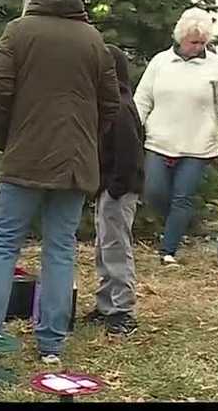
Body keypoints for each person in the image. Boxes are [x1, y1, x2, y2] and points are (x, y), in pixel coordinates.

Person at [0, 0, 120, 366]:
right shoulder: (94, 42)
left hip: (25, 157)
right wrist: (88, 138)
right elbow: (111, 103)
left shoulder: (19, 32)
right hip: (75, 164)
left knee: (3, 245)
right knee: (60, 249)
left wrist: (6, 138)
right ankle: (51, 343)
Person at [135, 8, 218, 264]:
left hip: (198, 143)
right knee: (154, 191)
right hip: (159, 140)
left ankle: (168, 250)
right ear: (181, 38)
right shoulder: (160, 62)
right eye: (193, 42)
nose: (198, 47)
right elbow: (142, 98)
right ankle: (175, 225)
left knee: (182, 197)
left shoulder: (215, 66)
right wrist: (132, 127)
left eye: (202, 43)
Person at [84, 45, 144, 337]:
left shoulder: (120, 109)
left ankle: (123, 309)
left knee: (117, 247)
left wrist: (115, 188)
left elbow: (130, 156)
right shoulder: (111, 105)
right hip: (107, 189)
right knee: (104, 247)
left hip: (118, 191)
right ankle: (106, 303)